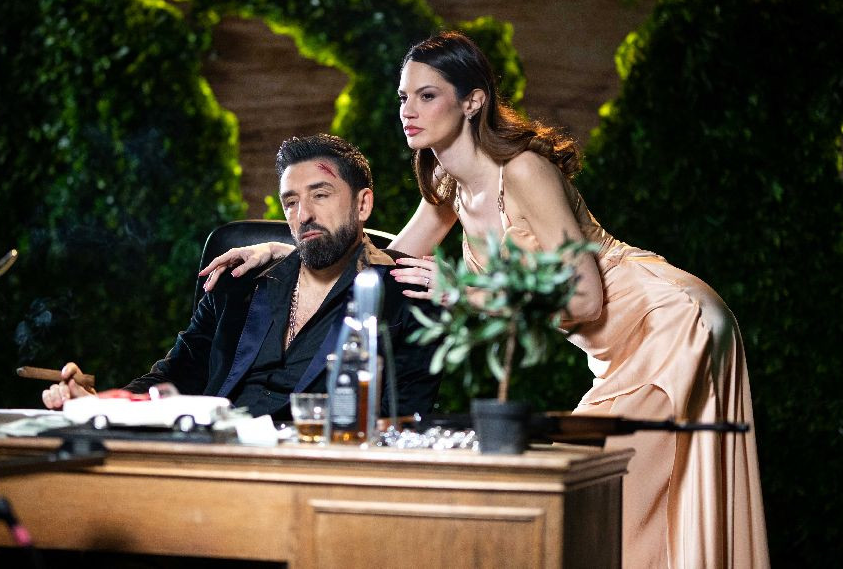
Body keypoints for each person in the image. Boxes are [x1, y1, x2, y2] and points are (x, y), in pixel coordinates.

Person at [200, 32, 769, 568]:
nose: (408, 110)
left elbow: (585, 299)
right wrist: (288, 247)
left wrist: (464, 291)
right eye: (403, 97)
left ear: (473, 101)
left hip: (668, 321)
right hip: (619, 350)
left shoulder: (523, 170)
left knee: (601, 498)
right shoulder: (448, 185)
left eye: (427, 96)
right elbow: (387, 259)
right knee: (624, 505)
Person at [41, 134, 441, 422]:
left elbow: (404, 418)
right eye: (290, 202)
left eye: (320, 195)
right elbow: (173, 375)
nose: (303, 215)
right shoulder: (239, 284)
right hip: (213, 457)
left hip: (313, 471)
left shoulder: (403, 297)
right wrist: (99, 404)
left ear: (363, 204)